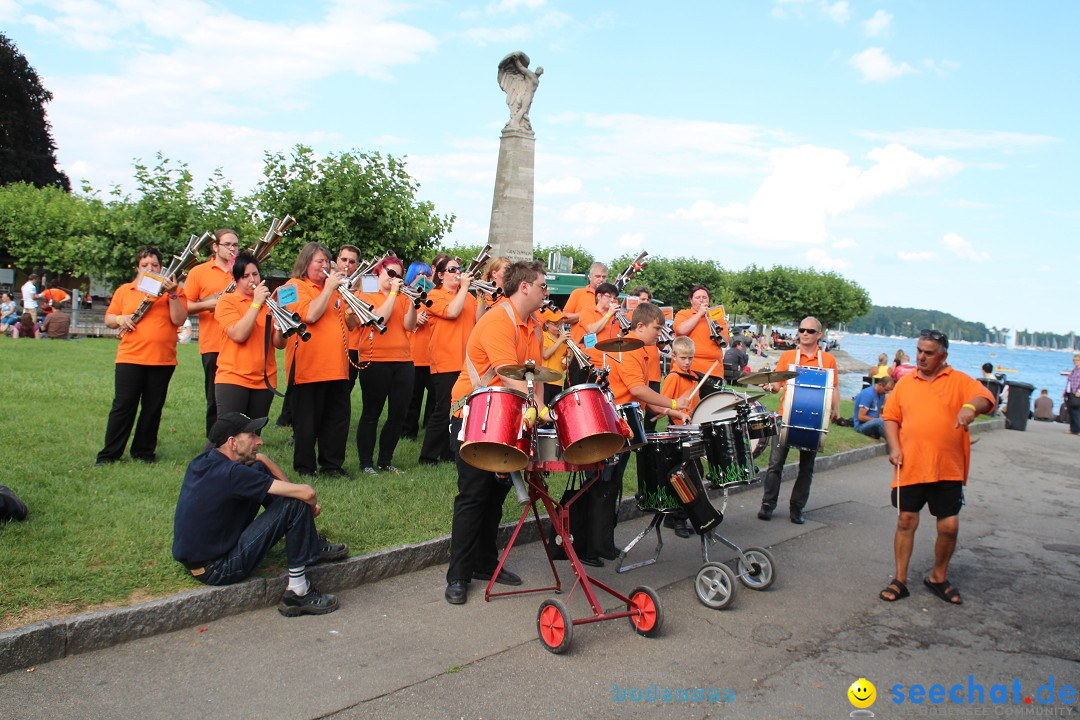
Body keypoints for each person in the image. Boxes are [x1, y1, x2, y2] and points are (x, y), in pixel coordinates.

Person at [444, 260, 549, 604]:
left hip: (503, 415)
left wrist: (540, 409)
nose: (546, 291)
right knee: (473, 496)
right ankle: (457, 575)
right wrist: (534, 404)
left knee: (495, 497)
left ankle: (485, 563)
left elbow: (535, 376)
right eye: (543, 285)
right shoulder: (496, 321)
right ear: (524, 287)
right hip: (472, 414)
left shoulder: (533, 325)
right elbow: (508, 375)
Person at [172, 412, 347, 616]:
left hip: (201, 560)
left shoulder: (204, 461)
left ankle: (309, 542)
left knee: (260, 470)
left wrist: (263, 460)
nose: (260, 441)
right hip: (218, 568)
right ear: (232, 442)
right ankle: (298, 593)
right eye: (252, 436)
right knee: (294, 504)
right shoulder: (233, 474)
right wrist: (307, 507)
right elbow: (307, 492)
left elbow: (283, 485)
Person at [879, 329, 995, 605]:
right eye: (919, 350)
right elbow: (891, 417)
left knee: (949, 527)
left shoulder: (959, 381)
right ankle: (900, 579)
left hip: (947, 468)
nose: (921, 357)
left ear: (943, 355)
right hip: (910, 465)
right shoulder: (906, 384)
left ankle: (938, 577)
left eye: (928, 353)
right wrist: (894, 447)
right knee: (906, 520)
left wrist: (969, 408)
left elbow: (987, 399)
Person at [584, 302, 693, 561]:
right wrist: (675, 403)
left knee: (612, 484)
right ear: (640, 326)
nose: (660, 333)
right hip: (613, 424)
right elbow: (637, 390)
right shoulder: (629, 350)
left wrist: (674, 413)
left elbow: (646, 399)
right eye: (657, 328)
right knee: (603, 484)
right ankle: (592, 546)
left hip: (624, 426)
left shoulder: (642, 351)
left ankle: (602, 543)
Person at [96, 246, 188, 465]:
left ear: (161, 267)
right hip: (130, 358)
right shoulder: (125, 290)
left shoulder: (173, 291)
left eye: (155, 265)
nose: (150, 268)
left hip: (162, 359)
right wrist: (121, 319)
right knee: (123, 406)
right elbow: (109, 318)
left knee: (152, 408)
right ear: (137, 267)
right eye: (145, 265)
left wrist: (173, 293)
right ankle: (110, 454)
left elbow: (179, 319)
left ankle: (144, 452)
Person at [754, 316, 840, 524]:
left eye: (810, 331)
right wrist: (767, 386)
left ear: (819, 335)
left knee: (806, 467)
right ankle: (768, 504)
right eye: (801, 330)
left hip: (814, 420)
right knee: (775, 463)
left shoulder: (827, 360)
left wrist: (835, 409)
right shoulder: (788, 356)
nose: (804, 334)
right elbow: (776, 386)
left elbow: (833, 387)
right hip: (786, 415)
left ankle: (797, 507)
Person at [280, 242, 355, 478]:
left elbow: (351, 325)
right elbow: (310, 315)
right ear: (305, 263)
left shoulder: (334, 290)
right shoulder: (290, 288)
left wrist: (352, 304)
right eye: (318, 261)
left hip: (338, 367)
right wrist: (328, 289)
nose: (324, 266)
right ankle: (305, 467)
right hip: (308, 367)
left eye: (326, 261)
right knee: (306, 422)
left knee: (336, 421)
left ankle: (332, 465)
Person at [353, 256, 417, 475]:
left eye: (398, 275)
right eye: (390, 273)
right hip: (375, 359)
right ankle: (365, 463)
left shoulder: (401, 297)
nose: (394, 279)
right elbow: (378, 318)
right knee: (372, 412)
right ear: (379, 272)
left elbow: (409, 325)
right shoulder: (365, 293)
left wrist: (413, 304)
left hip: (403, 360)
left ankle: (385, 460)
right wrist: (393, 294)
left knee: (398, 413)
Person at [419, 256, 482, 466]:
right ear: (441, 274)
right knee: (444, 409)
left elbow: (479, 321)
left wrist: (480, 296)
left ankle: (449, 452)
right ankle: (427, 456)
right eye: (452, 269)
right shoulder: (434, 295)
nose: (457, 272)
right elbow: (453, 312)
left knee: (461, 409)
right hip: (444, 361)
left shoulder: (468, 297)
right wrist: (464, 287)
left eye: (459, 269)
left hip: (465, 363)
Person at [213, 252, 285, 423]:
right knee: (229, 436)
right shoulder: (227, 302)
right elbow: (239, 334)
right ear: (236, 280)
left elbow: (279, 344)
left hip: (264, 381)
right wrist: (256, 303)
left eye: (255, 274)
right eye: (245, 276)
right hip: (233, 378)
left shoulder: (269, 304)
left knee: (252, 437)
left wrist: (282, 327)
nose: (252, 280)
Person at [184, 230, 240, 435]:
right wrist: (210, 303)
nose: (232, 249)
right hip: (213, 344)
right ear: (215, 247)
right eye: (227, 244)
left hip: (240, 342)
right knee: (215, 398)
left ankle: (239, 441)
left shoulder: (241, 270)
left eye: (235, 245)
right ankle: (215, 443)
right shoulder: (199, 272)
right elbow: (185, 305)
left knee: (240, 396)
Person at [402, 260, 436, 440]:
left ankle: (430, 429)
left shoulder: (433, 296)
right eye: (419, 275)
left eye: (427, 275)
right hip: (413, 354)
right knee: (412, 398)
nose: (424, 279)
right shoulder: (406, 295)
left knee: (435, 398)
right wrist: (415, 321)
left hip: (431, 355)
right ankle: (408, 432)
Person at [561, 262, 608, 387]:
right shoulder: (578, 293)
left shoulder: (609, 297)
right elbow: (564, 317)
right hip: (579, 351)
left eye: (604, 277)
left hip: (601, 354)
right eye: (598, 276)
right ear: (590, 276)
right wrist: (586, 313)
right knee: (575, 389)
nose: (601, 279)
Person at [674, 285, 729, 377]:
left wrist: (714, 326)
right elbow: (681, 330)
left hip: (713, 370)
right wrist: (700, 314)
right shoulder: (683, 314)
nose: (701, 300)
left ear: (708, 300)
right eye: (697, 297)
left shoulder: (717, 318)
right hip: (688, 367)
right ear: (691, 300)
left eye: (704, 297)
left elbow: (725, 342)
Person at [335, 245, 363, 391]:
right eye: (344, 259)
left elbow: (356, 323)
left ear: (357, 265)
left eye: (351, 262)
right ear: (337, 260)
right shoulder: (327, 283)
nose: (347, 264)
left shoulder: (361, 287)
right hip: (332, 343)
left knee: (345, 388)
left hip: (352, 345)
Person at [660, 336, 702, 426]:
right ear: (674, 356)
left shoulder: (694, 377)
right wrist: (680, 415)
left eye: (690, 358)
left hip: (693, 423)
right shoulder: (673, 377)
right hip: (678, 425)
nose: (687, 362)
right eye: (683, 358)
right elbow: (662, 406)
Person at [497, 51, 543, 133]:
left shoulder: (536, 79)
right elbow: (521, 68)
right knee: (523, 109)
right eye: (538, 69)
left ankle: (519, 123)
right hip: (526, 95)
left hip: (528, 97)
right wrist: (517, 59)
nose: (539, 70)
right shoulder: (531, 75)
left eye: (541, 70)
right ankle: (515, 123)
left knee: (524, 113)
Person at [540, 310, 569, 405]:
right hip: (545, 381)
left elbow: (565, 365)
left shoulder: (563, 341)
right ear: (547, 324)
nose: (559, 327)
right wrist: (560, 340)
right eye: (556, 324)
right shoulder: (544, 335)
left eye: (561, 324)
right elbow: (545, 355)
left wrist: (571, 352)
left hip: (558, 381)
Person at [1065, 353, 1080, 435]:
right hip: (1070, 392)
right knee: (1071, 411)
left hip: (1076, 393)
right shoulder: (1074, 370)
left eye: (1077, 360)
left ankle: (1077, 429)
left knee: (1076, 411)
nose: (1075, 362)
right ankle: (1073, 429)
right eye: (1074, 360)